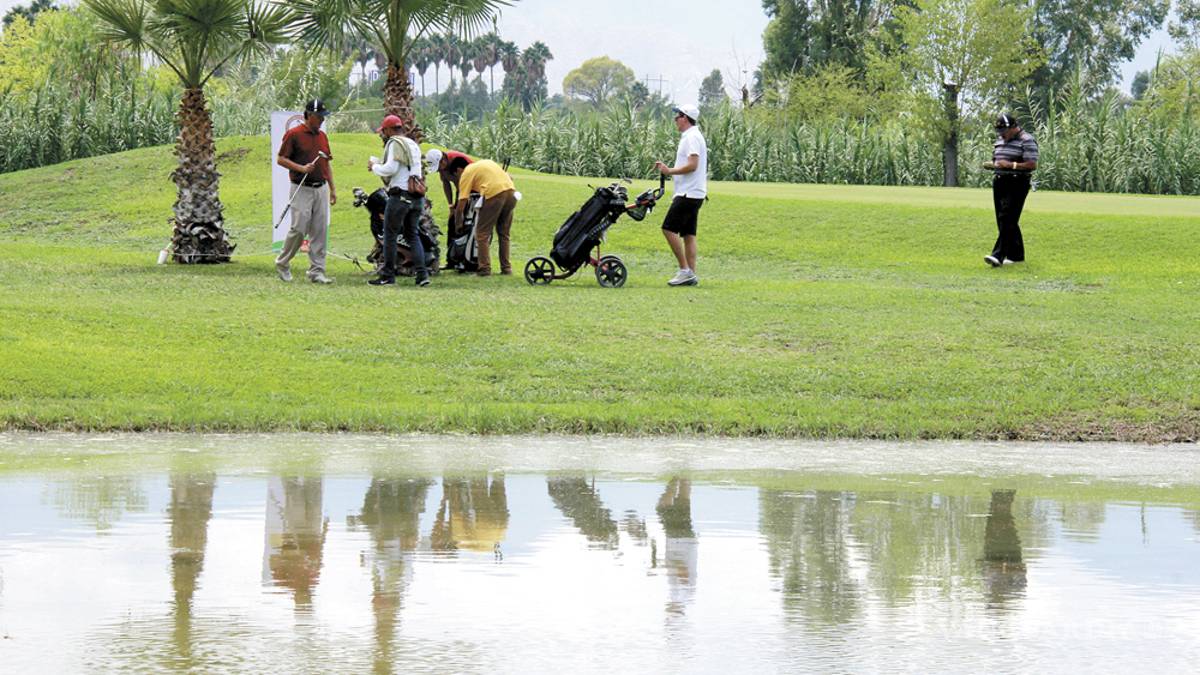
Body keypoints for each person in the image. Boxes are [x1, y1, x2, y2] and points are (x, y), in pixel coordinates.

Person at [275, 98, 336, 284]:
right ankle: (282, 263)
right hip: (301, 188)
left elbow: (326, 163)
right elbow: (281, 159)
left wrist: (332, 188)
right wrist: (301, 168)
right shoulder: (294, 134)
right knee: (299, 228)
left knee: (319, 230)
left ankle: (317, 271)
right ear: (309, 115)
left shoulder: (322, 136)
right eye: (320, 117)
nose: (322, 120)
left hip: (321, 188)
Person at [367, 115, 429, 287]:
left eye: (383, 131)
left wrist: (374, 166)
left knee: (390, 235)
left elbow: (391, 169)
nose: (383, 135)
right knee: (412, 234)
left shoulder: (394, 143)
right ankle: (422, 275)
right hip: (417, 197)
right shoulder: (412, 144)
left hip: (400, 195)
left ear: (388, 130)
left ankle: (387, 275)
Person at [655, 103, 707, 287]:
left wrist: (669, 171)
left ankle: (685, 270)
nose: (675, 119)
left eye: (677, 116)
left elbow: (693, 164)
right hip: (695, 192)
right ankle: (691, 274)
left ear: (685, 118)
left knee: (668, 228)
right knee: (688, 234)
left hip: (688, 193)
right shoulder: (693, 136)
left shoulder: (691, 137)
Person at [984, 113, 1039, 267]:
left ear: (1014, 127)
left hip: (1017, 182)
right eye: (999, 131)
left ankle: (998, 255)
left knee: (1007, 217)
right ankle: (1016, 255)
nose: (1002, 135)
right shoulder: (1000, 140)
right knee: (1003, 218)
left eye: (1004, 131)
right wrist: (993, 164)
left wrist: (1011, 165)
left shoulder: (1027, 140)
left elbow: (1031, 164)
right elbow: (998, 159)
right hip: (1000, 181)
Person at [448, 156, 517, 276]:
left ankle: (484, 268)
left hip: (494, 194)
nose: (458, 180)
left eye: (456, 176)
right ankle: (506, 268)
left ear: (459, 170)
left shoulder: (466, 172)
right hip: (511, 191)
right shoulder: (485, 163)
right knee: (504, 233)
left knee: (482, 233)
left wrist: (458, 223)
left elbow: (461, 203)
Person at [424, 148, 474, 262]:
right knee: (452, 222)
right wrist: (451, 206)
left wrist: (460, 207)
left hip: (471, 191)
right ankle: (451, 258)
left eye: (439, 168)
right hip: (460, 192)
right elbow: (446, 184)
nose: (439, 172)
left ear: (443, 160)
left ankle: (464, 257)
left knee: (463, 222)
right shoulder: (442, 168)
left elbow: (466, 184)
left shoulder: (458, 161)